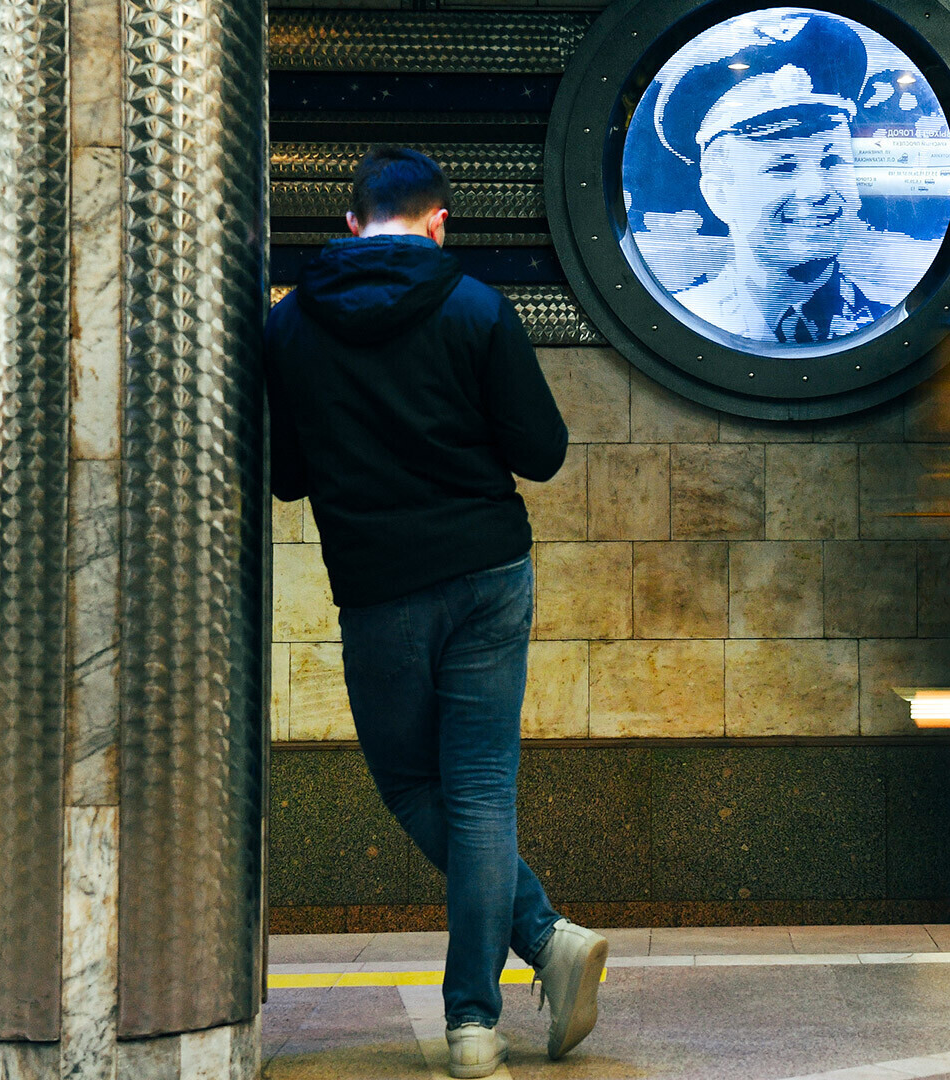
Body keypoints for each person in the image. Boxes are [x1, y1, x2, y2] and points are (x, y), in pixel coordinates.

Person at [263, 147, 608, 1079]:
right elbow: (541, 452)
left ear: (349, 224)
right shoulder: (476, 307)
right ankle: (476, 1023)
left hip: (378, 586)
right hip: (489, 572)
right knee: (482, 791)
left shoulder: (288, 327)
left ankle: (535, 951)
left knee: (416, 786)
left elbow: (285, 479)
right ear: (438, 220)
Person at [652, 13, 881, 344]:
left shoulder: (891, 319)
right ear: (719, 196)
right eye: (783, 167)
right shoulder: (679, 326)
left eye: (832, 160)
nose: (818, 189)